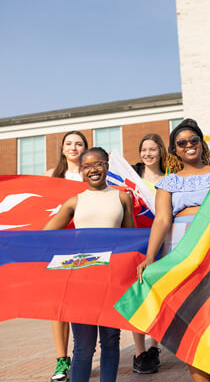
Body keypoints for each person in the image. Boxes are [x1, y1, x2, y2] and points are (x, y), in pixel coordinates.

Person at [136, 119, 210, 382]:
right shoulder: (168, 183)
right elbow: (161, 220)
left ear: (201, 144)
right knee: (191, 324)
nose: (189, 145)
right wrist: (149, 257)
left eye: (194, 140)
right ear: (175, 150)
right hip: (182, 255)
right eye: (182, 143)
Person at [43, 147, 134, 382]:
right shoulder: (75, 201)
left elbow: (131, 238)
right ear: (82, 171)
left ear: (106, 166)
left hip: (111, 279)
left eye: (98, 164)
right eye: (87, 166)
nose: (93, 169)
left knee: (111, 341)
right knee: (83, 346)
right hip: (81, 280)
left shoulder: (122, 197)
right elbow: (46, 234)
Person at [44, 130, 88, 382]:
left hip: (83, 246)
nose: (73, 147)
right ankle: (62, 361)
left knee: (80, 304)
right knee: (58, 305)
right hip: (58, 246)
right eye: (69, 143)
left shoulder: (90, 173)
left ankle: (83, 356)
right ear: (62, 149)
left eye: (79, 143)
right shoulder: (51, 176)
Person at [130, 133, 168, 374]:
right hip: (137, 242)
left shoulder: (169, 179)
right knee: (138, 294)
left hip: (163, 241)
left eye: (153, 149)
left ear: (161, 151)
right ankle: (138, 351)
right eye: (144, 149)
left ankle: (154, 346)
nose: (148, 153)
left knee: (158, 294)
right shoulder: (131, 179)